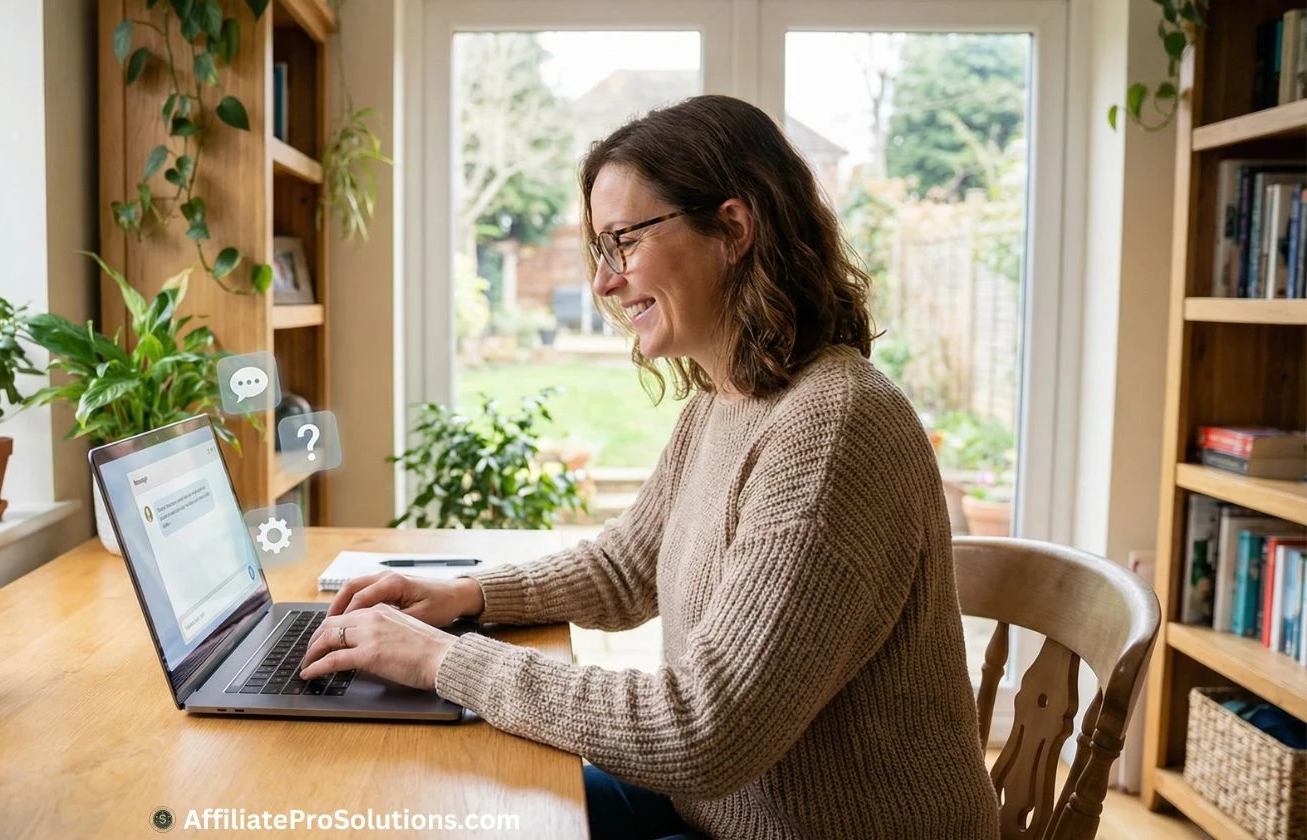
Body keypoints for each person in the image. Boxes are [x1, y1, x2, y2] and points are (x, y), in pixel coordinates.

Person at [298, 94, 1000, 840]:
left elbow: (703, 730)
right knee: (460, 803)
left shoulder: (833, 429)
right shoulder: (728, 401)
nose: (605, 282)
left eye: (623, 241)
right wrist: (464, 594)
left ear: (732, 228)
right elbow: (626, 568)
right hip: (718, 815)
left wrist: (444, 661)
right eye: (602, 251)